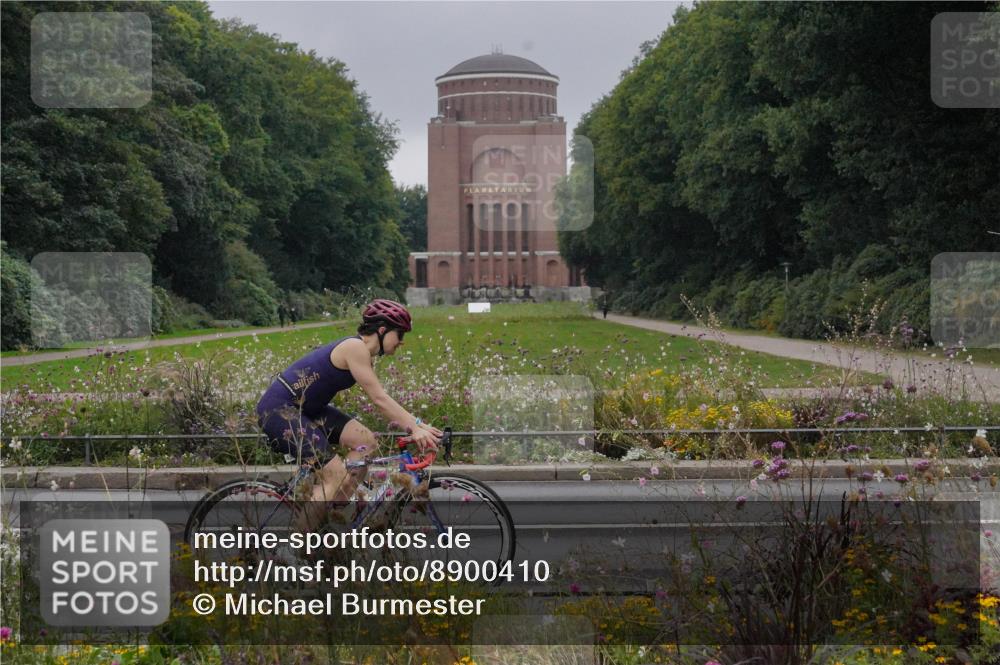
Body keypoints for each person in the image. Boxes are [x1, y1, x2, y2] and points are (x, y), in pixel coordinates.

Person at [256, 298, 441, 529]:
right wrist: (414, 427)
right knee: (335, 476)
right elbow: (379, 399)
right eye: (400, 334)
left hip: (307, 410)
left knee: (366, 441)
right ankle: (299, 549)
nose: (402, 342)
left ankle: (332, 515)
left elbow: (382, 398)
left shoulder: (363, 353)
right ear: (382, 330)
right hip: (279, 411)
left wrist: (419, 425)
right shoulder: (355, 348)